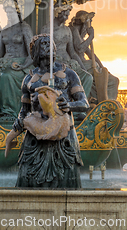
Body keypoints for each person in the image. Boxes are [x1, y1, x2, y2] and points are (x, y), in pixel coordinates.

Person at [11, 34, 89, 189]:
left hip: (64, 137)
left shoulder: (69, 74)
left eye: (51, 43)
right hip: (36, 137)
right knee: (28, 184)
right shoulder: (28, 79)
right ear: (36, 51)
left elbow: (84, 103)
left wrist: (69, 106)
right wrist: (19, 122)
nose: (49, 46)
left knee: (67, 184)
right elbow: (24, 110)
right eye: (44, 43)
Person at [0, 0, 34, 120]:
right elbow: (0, 53)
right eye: (7, 13)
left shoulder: (24, 28)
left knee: (6, 76)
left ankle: (9, 111)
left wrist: (24, 65)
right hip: (4, 62)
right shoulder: (4, 30)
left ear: (18, 13)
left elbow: (32, 52)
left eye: (11, 13)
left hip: (20, 63)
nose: (9, 15)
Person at [41, 4, 93, 99]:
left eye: (68, 15)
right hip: (55, 63)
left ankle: (80, 105)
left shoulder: (67, 30)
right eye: (65, 15)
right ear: (57, 13)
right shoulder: (47, 29)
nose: (67, 18)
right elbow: (44, 51)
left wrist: (83, 68)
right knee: (64, 79)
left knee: (88, 77)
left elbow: (72, 52)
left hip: (69, 63)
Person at [70, 10, 119, 102]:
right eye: (89, 22)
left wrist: (103, 68)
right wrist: (91, 36)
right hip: (81, 64)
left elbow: (90, 53)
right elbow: (80, 48)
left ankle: (108, 103)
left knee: (114, 80)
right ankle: (104, 103)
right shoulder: (74, 30)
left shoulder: (79, 34)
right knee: (112, 81)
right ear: (83, 23)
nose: (90, 26)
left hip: (87, 64)